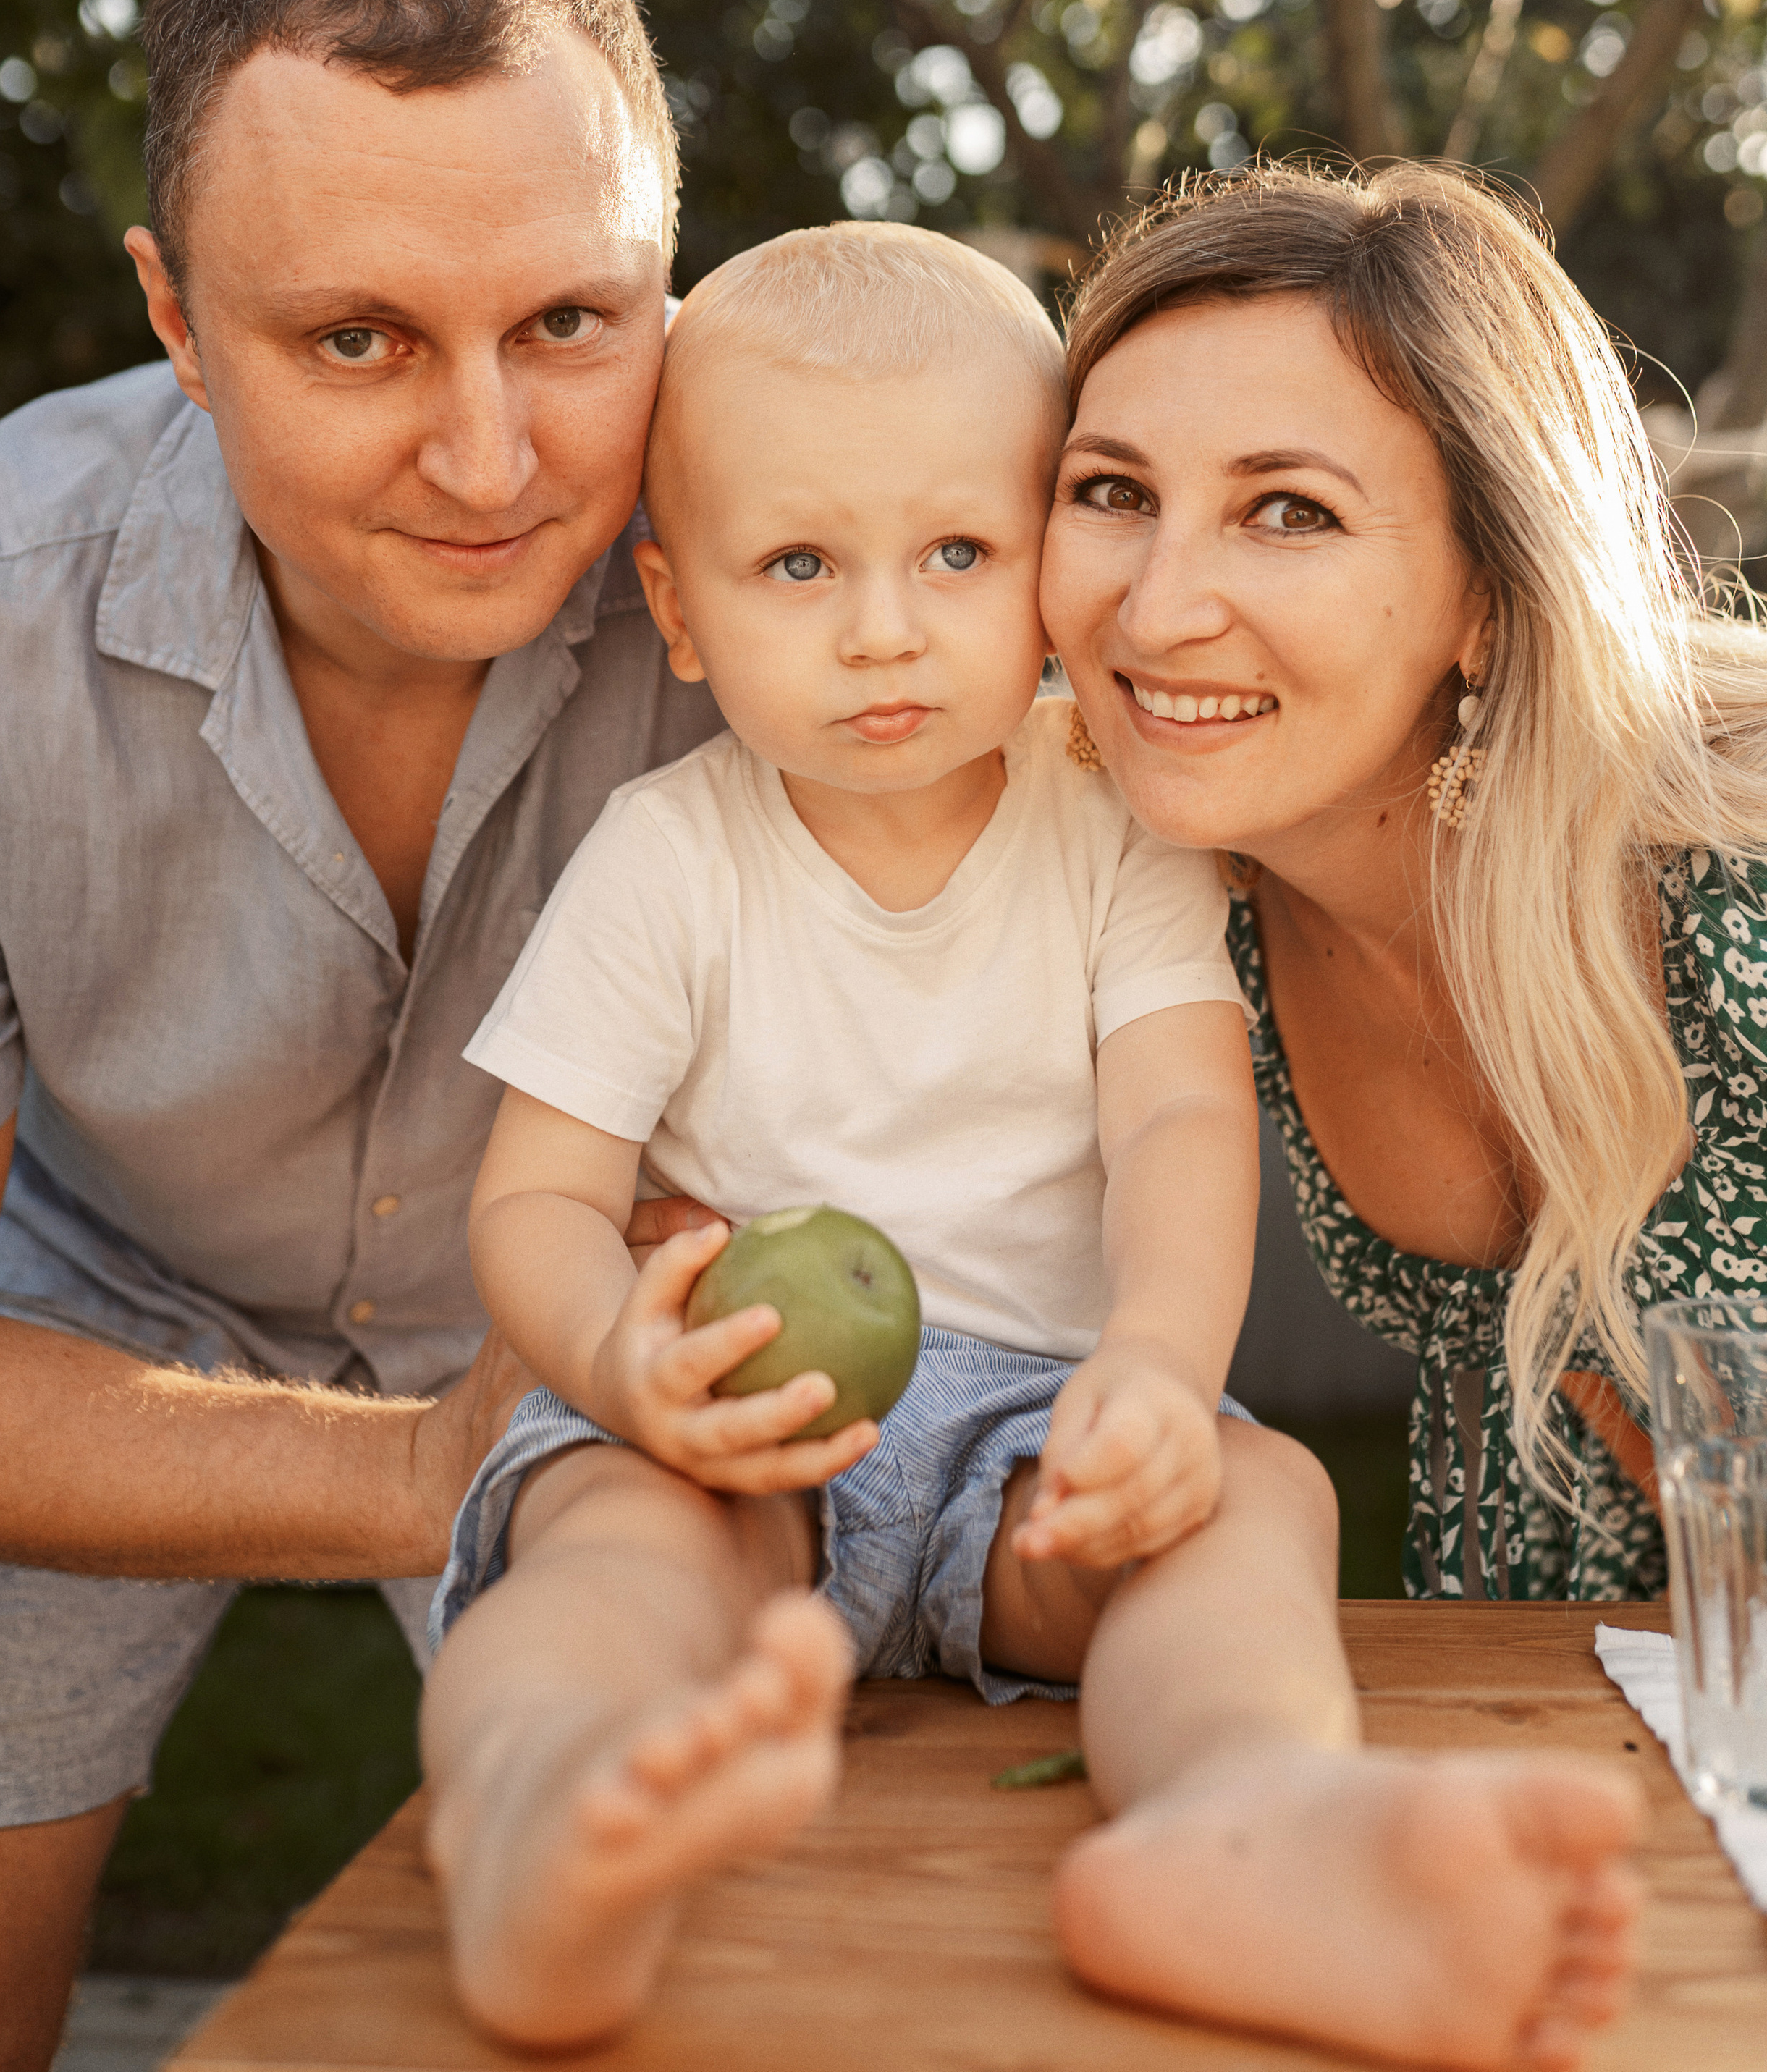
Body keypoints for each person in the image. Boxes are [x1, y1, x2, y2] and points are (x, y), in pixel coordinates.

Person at [417, 221, 1643, 2072]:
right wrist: (625, 1367)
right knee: (602, 1567)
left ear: (1034, 572)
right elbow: (539, 1197)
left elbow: (1170, 1108)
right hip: (737, 1422)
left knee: (1250, 1507)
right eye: (798, 563)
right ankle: (534, 1814)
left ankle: (1241, 1828)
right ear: (678, 612)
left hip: (1033, 1458)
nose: (882, 627)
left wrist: (1156, 1372)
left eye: (959, 554)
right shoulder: (671, 857)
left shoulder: (1104, 819)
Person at [0, 0, 721, 2072]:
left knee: (745, 1960)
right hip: (83, 1304)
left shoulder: (803, 558)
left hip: (599, 1279)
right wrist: (404, 1471)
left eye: (573, 324)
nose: (492, 462)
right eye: (358, 340)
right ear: (177, 322)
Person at [1040, 158, 1767, 1604]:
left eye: (1289, 513)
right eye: (1112, 492)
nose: (1153, 608)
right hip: (1558, 1677)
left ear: (1487, 593)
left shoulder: (1748, 886)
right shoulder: (1167, 909)